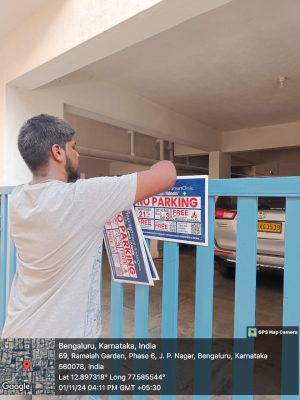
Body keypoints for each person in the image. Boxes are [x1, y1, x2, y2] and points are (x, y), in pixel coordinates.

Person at [0, 114, 177, 399]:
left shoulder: (18, 199)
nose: (77, 153)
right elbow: (166, 173)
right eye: (74, 146)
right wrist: (164, 159)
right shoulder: (82, 197)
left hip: (16, 337)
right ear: (57, 152)